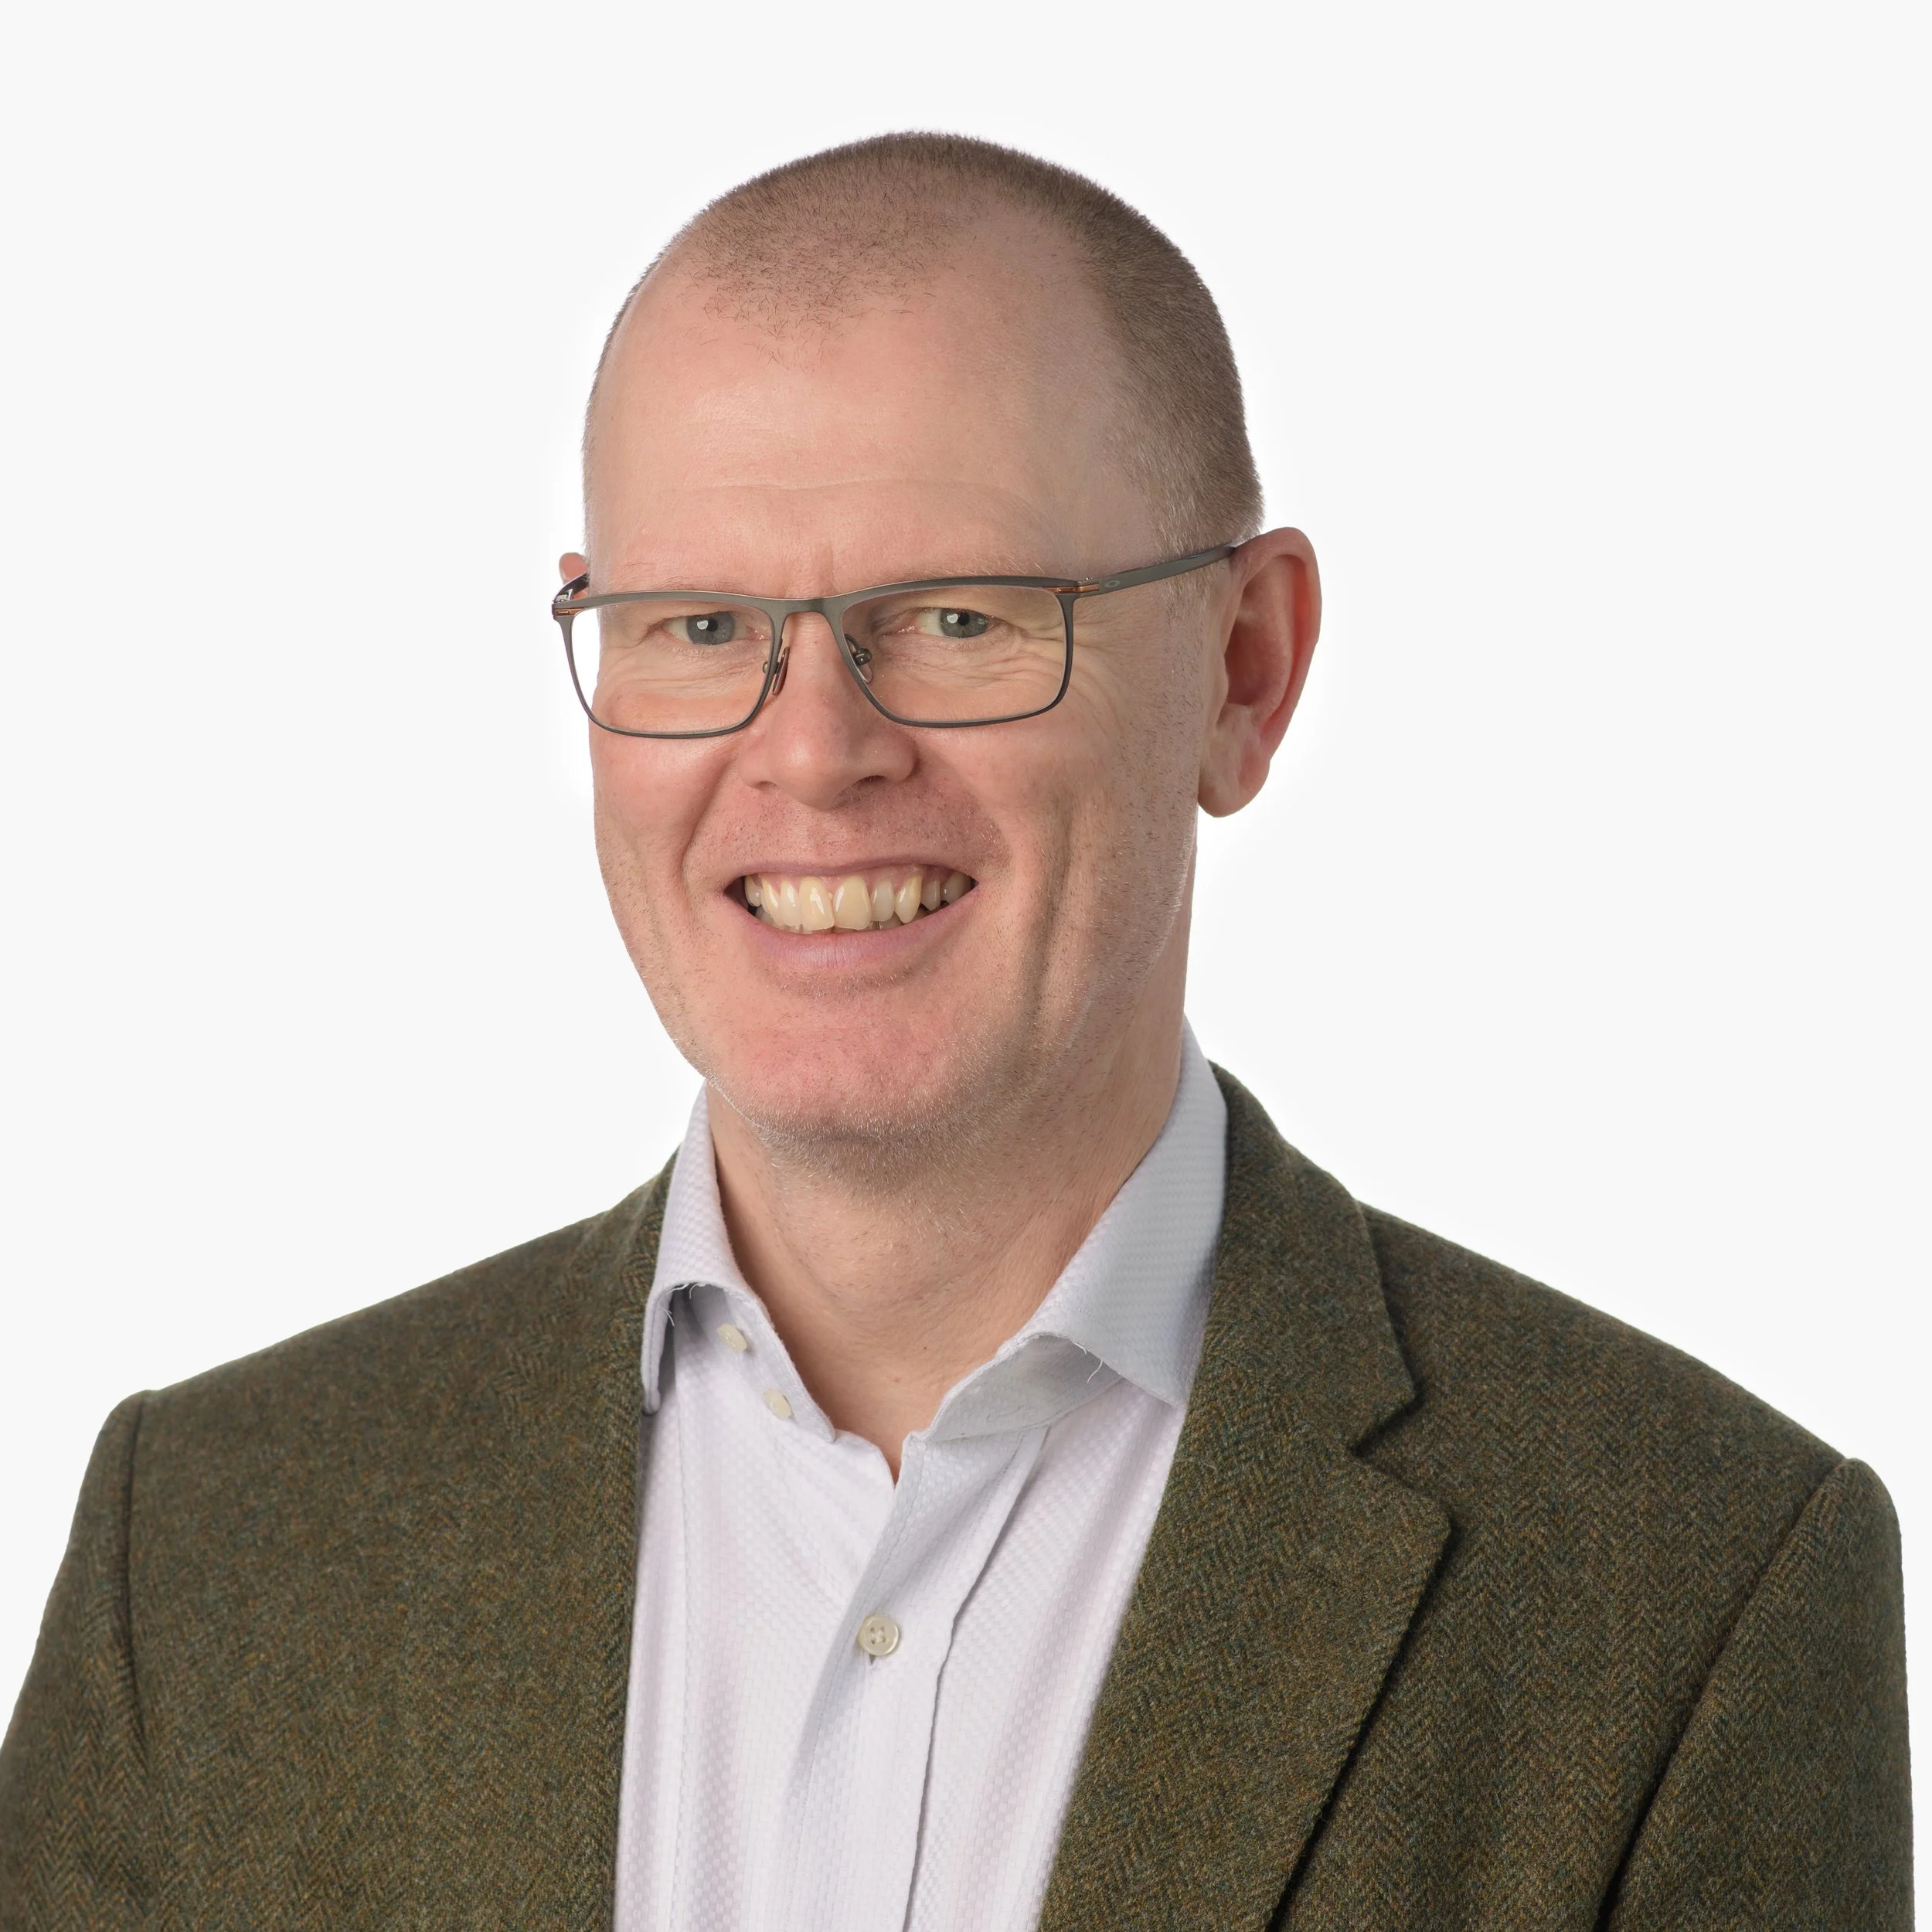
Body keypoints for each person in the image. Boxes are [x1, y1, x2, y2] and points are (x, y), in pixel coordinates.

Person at [0, 133, 1910, 1930]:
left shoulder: (1690, 1596)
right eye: (691, 627)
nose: (813, 750)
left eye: (962, 618)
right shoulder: (215, 1547)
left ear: (1245, 668)